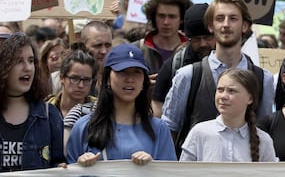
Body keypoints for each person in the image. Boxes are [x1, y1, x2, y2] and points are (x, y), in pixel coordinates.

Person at [162, 0, 274, 155]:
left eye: (233, 18)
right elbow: (169, 130)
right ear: (210, 26)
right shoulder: (188, 75)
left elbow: (263, 130)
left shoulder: (264, 79)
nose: (226, 24)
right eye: (220, 18)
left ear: (245, 26)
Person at [66, 43, 176, 166]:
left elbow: (170, 171)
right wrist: (81, 166)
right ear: (106, 79)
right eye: (122, 72)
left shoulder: (159, 129)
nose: (130, 79)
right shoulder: (83, 127)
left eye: (136, 72)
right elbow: (69, 170)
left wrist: (152, 167)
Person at [180, 68, 278, 162]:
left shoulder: (264, 141)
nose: (223, 96)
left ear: (250, 98)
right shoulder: (199, 132)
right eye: (220, 90)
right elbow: (183, 172)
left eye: (232, 91)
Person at [0, 34, 65, 172]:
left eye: (31, 61)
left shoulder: (49, 116)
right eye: (18, 61)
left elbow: (58, 163)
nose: (28, 68)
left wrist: (62, 168)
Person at [151, 3, 215, 117]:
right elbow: (157, 105)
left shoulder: (229, 62)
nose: (203, 44)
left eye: (208, 37)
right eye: (196, 39)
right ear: (188, 39)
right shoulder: (173, 65)